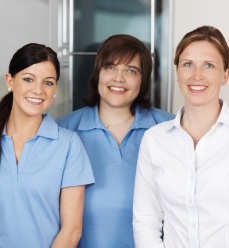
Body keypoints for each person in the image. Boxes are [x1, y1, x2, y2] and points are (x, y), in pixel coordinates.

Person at [133, 25, 229, 248]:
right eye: (188, 65)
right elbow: (146, 220)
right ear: (177, 72)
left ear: (226, 74)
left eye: (209, 66)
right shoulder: (155, 140)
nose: (197, 76)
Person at [56, 34, 174, 248]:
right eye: (110, 67)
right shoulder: (63, 130)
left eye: (131, 70)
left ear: (143, 79)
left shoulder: (169, 128)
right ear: (97, 73)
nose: (119, 78)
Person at [0, 43, 94, 248]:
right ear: (10, 81)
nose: (38, 90)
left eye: (48, 83)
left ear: (55, 89)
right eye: (28, 79)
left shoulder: (69, 145)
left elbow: (71, 231)